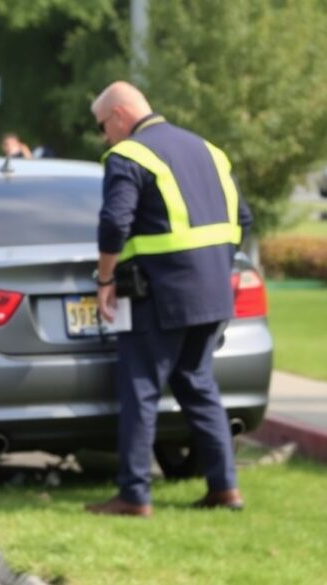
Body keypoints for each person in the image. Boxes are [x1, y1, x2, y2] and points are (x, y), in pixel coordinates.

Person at [86, 81, 253, 517]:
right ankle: (225, 487)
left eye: (104, 125)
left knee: (140, 389)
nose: (105, 136)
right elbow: (245, 219)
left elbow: (114, 222)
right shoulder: (210, 151)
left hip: (159, 297)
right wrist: (214, 267)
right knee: (198, 385)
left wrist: (105, 279)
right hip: (212, 294)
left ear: (120, 115)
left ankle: (134, 495)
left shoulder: (129, 155)